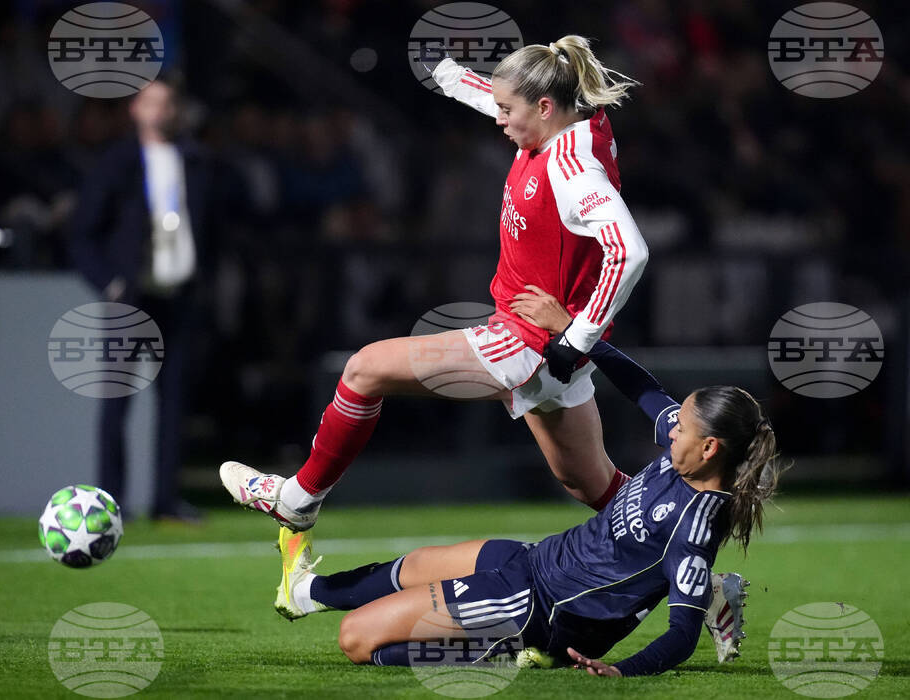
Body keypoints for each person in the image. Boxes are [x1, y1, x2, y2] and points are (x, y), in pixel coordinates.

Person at [220, 35, 650, 532]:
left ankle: (297, 498)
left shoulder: (573, 168)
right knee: (592, 487)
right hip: (547, 344)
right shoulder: (566, 121)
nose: (498, 118)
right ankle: (697, 555)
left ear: (546, 106)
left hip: (528, 343)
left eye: (508, 109)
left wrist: (578, 339)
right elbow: (493, 95)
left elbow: (629, 251)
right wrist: (444, 71)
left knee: (363, 370)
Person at [268, 337, 778, 675]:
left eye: (682, 426)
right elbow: (644, 389)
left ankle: (505, 654)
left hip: (539, 610)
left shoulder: (692, 530)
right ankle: (304, 590)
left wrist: (621, 670)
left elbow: (682, 637)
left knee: (356, 639)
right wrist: (583, 339)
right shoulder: (687, 450)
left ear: (710, 448)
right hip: (535, 561)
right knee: (417, 566)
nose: (670, 427)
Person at [69, 77, 217, 522]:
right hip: (131, 299)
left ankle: (165, 500)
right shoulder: (117, 162)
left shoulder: (196, 161)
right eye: (152, 101)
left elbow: (216, 228)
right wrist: (110, 283)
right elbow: (82, 232)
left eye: (168, 102)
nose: (160, 110)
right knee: (117, 403)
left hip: (180, 294)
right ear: (134, 108)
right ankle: (111, 501)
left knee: (173, 403)